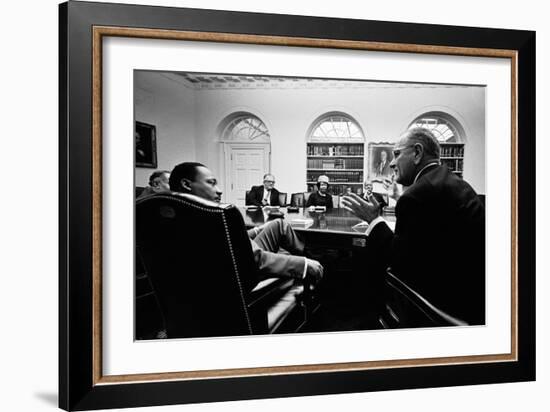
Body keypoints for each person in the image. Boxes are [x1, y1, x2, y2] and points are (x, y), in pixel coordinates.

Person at [342, 128, 485, 325]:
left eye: (397, 154)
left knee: (369, 264)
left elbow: (398, 260)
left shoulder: (418, 194)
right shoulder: (449, 180)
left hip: (441, 305)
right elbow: (430, 233)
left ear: (417, 153)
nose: (392, 163)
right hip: (474, 294)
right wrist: (398, 197)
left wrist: (373, 220)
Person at [169, 162, 323, 283]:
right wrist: (303, 264)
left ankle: (308, 252)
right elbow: (256, 259)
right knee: (284, 231)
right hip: (245, 273)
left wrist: (257, 230)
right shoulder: (215, 215)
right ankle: (312, 257)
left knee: (277, 224)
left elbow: (230, 241)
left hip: (236, 259)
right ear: (186, 184)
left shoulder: (177, 214)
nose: (219, 190)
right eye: (211, 183)